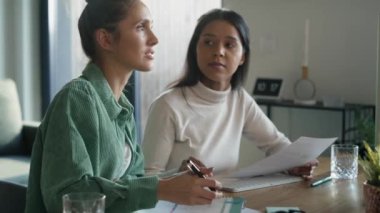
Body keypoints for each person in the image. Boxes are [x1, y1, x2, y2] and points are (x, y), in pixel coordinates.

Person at [25, 0, 222, 212]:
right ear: (106, 39)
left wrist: (175, 178)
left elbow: (130, 183)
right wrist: (161, 188)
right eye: (140, 27)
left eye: (151, 27)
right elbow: (68, 197)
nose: (154, 39)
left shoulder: (123, 109)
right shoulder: (77, 98)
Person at [142, 8, 318, 177]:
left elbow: (275, 143)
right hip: (180, 206)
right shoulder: (168, 105)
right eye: (208, 42)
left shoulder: (239, 99)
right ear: (195, 49)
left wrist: (296, 162)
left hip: (226, 201)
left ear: (243, 57)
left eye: (229, 45)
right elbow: (148, 177)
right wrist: (178, 176)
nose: (218, 52)